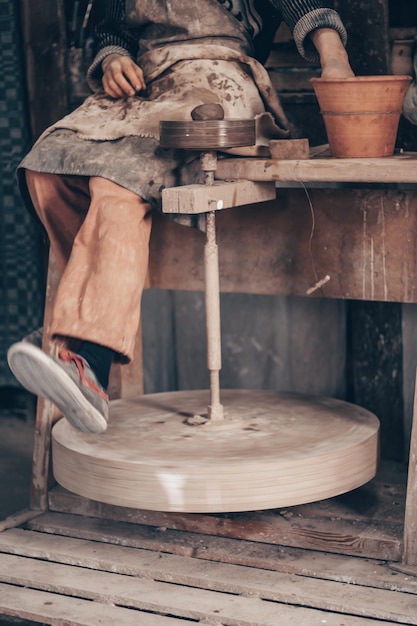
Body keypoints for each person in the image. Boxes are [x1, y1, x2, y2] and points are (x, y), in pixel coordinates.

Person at [7, 0, 354, 434]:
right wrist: (114, 59)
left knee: (116, 184)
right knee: (45, 168)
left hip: (214, 82)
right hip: (147, 85)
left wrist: (336, 62)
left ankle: (86, 360)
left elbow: (308, 9)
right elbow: (111, 31)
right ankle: (73, 335)